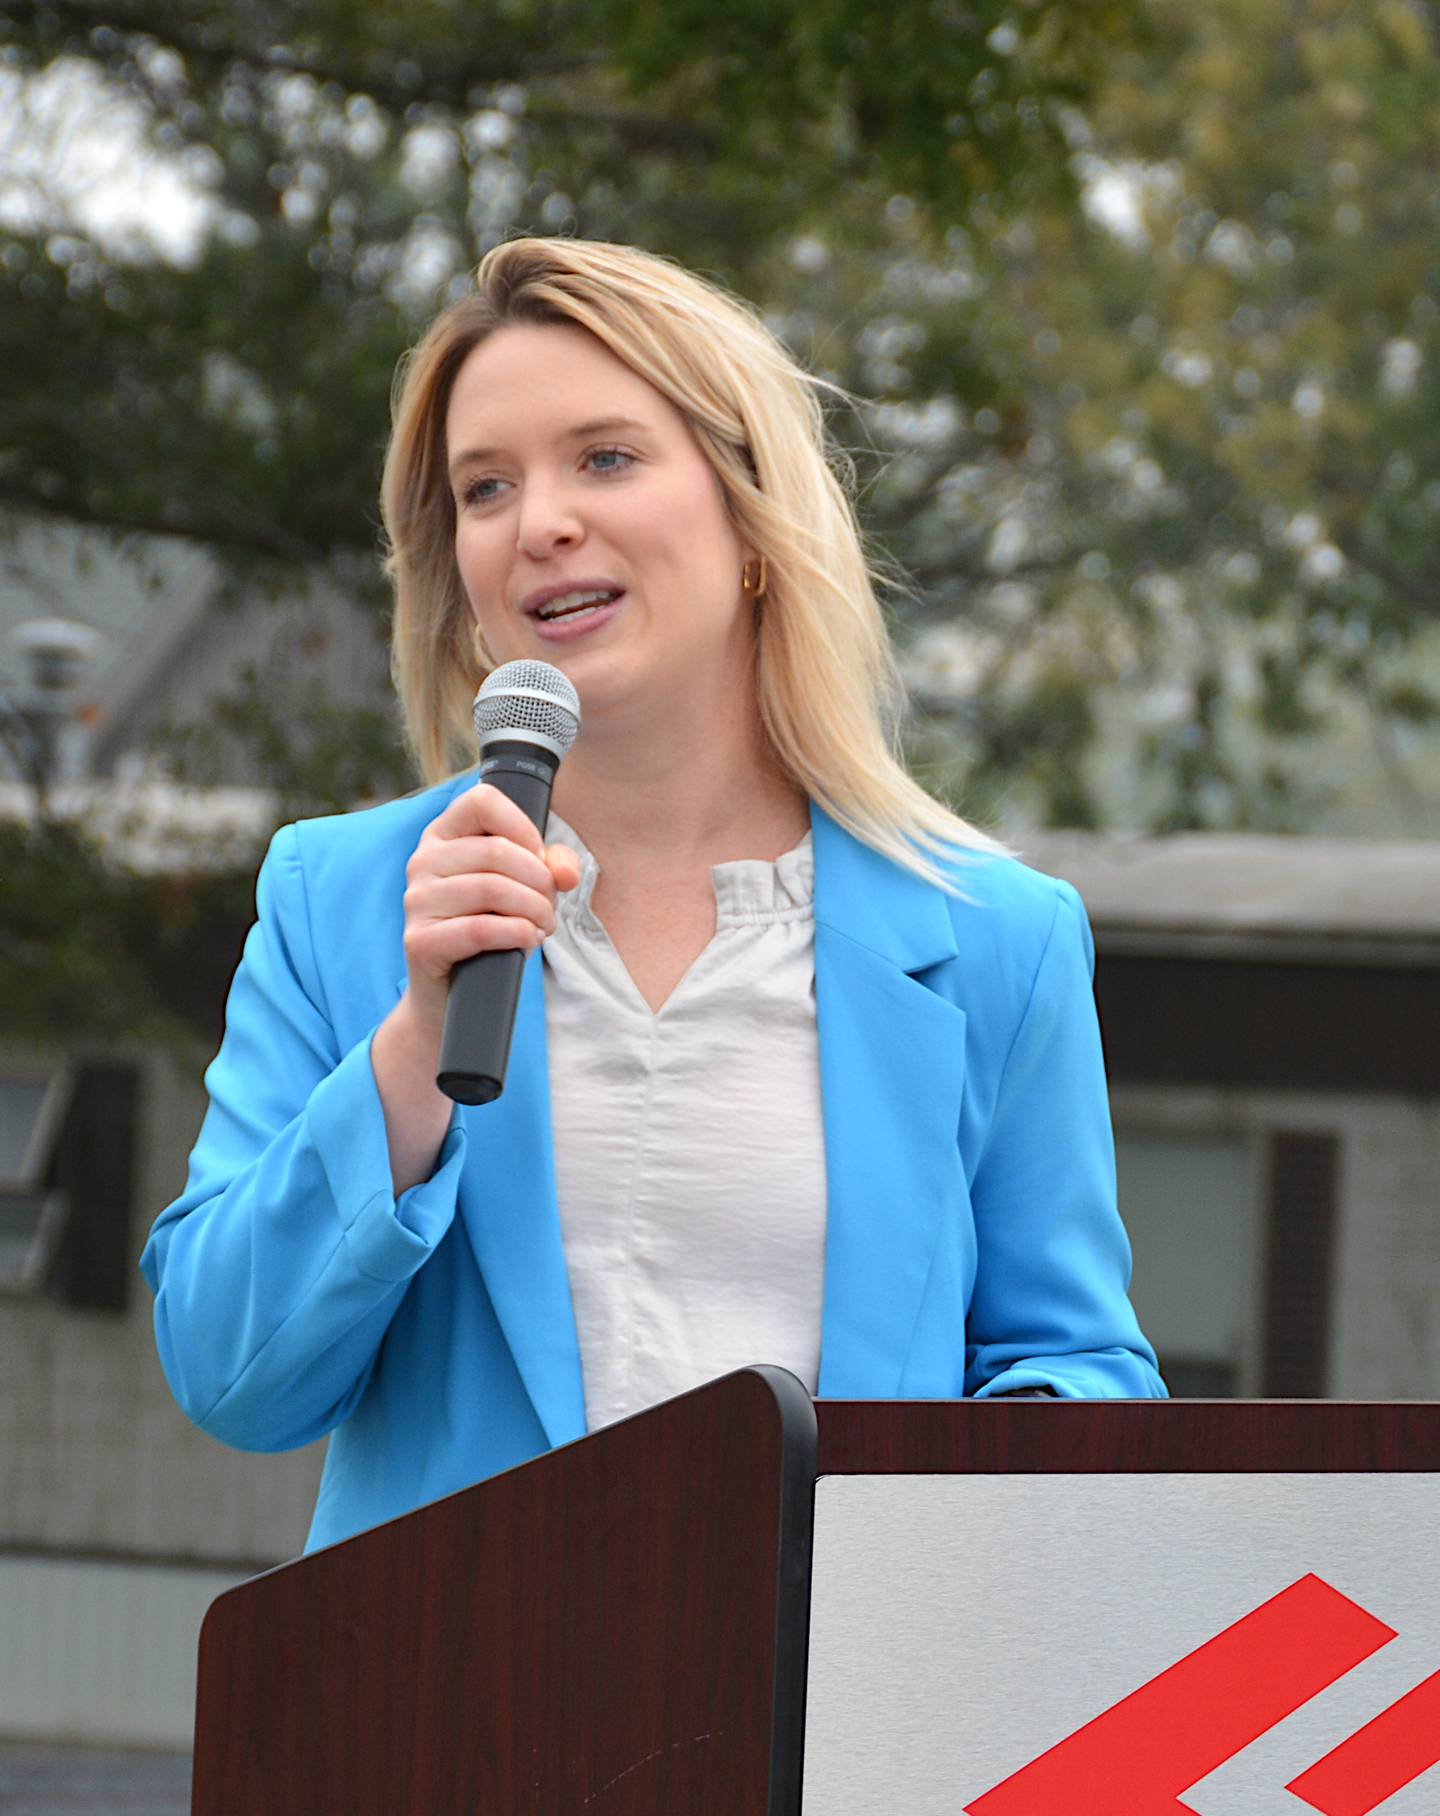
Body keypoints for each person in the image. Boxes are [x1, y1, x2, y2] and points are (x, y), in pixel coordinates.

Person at [141, 237, 1164, 1554]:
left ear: (749, 518)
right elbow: (230, 1379)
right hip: (454, 1722)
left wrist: (984, 1496)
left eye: (606, 458)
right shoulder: (340, 900)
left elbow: (1078, 1369)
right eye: (486, 488)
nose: (542, 521)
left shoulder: (995, 941)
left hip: (826, 1726)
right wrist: (407, 1055)